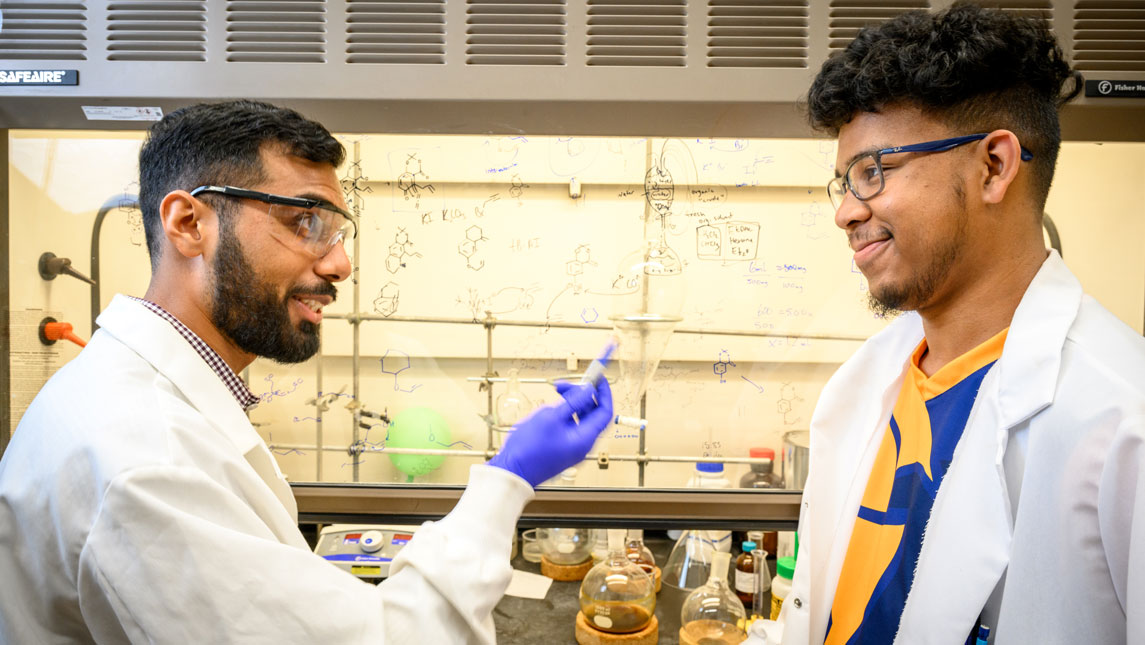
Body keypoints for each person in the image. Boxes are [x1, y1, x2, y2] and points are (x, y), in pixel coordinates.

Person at [0, 100, 613, 643]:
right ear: (190, 224)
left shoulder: (134, 396)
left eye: (338, 231)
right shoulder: (146, 463)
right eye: (305, 221)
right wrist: (508, 478)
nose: (340, 263)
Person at [776, 3, 1145, 644]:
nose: (846, 214)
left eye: (873, 172)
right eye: (845, 182)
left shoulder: (1123, 417)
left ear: (993, 167)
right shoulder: (865, 385)